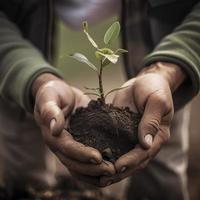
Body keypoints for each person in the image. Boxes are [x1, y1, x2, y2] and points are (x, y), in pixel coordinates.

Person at [0, 0, 200, 199]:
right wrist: (36, 81)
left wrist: (166, 70)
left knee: (156, 119)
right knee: (24, 179)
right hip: (19, 19)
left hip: (163, 18)